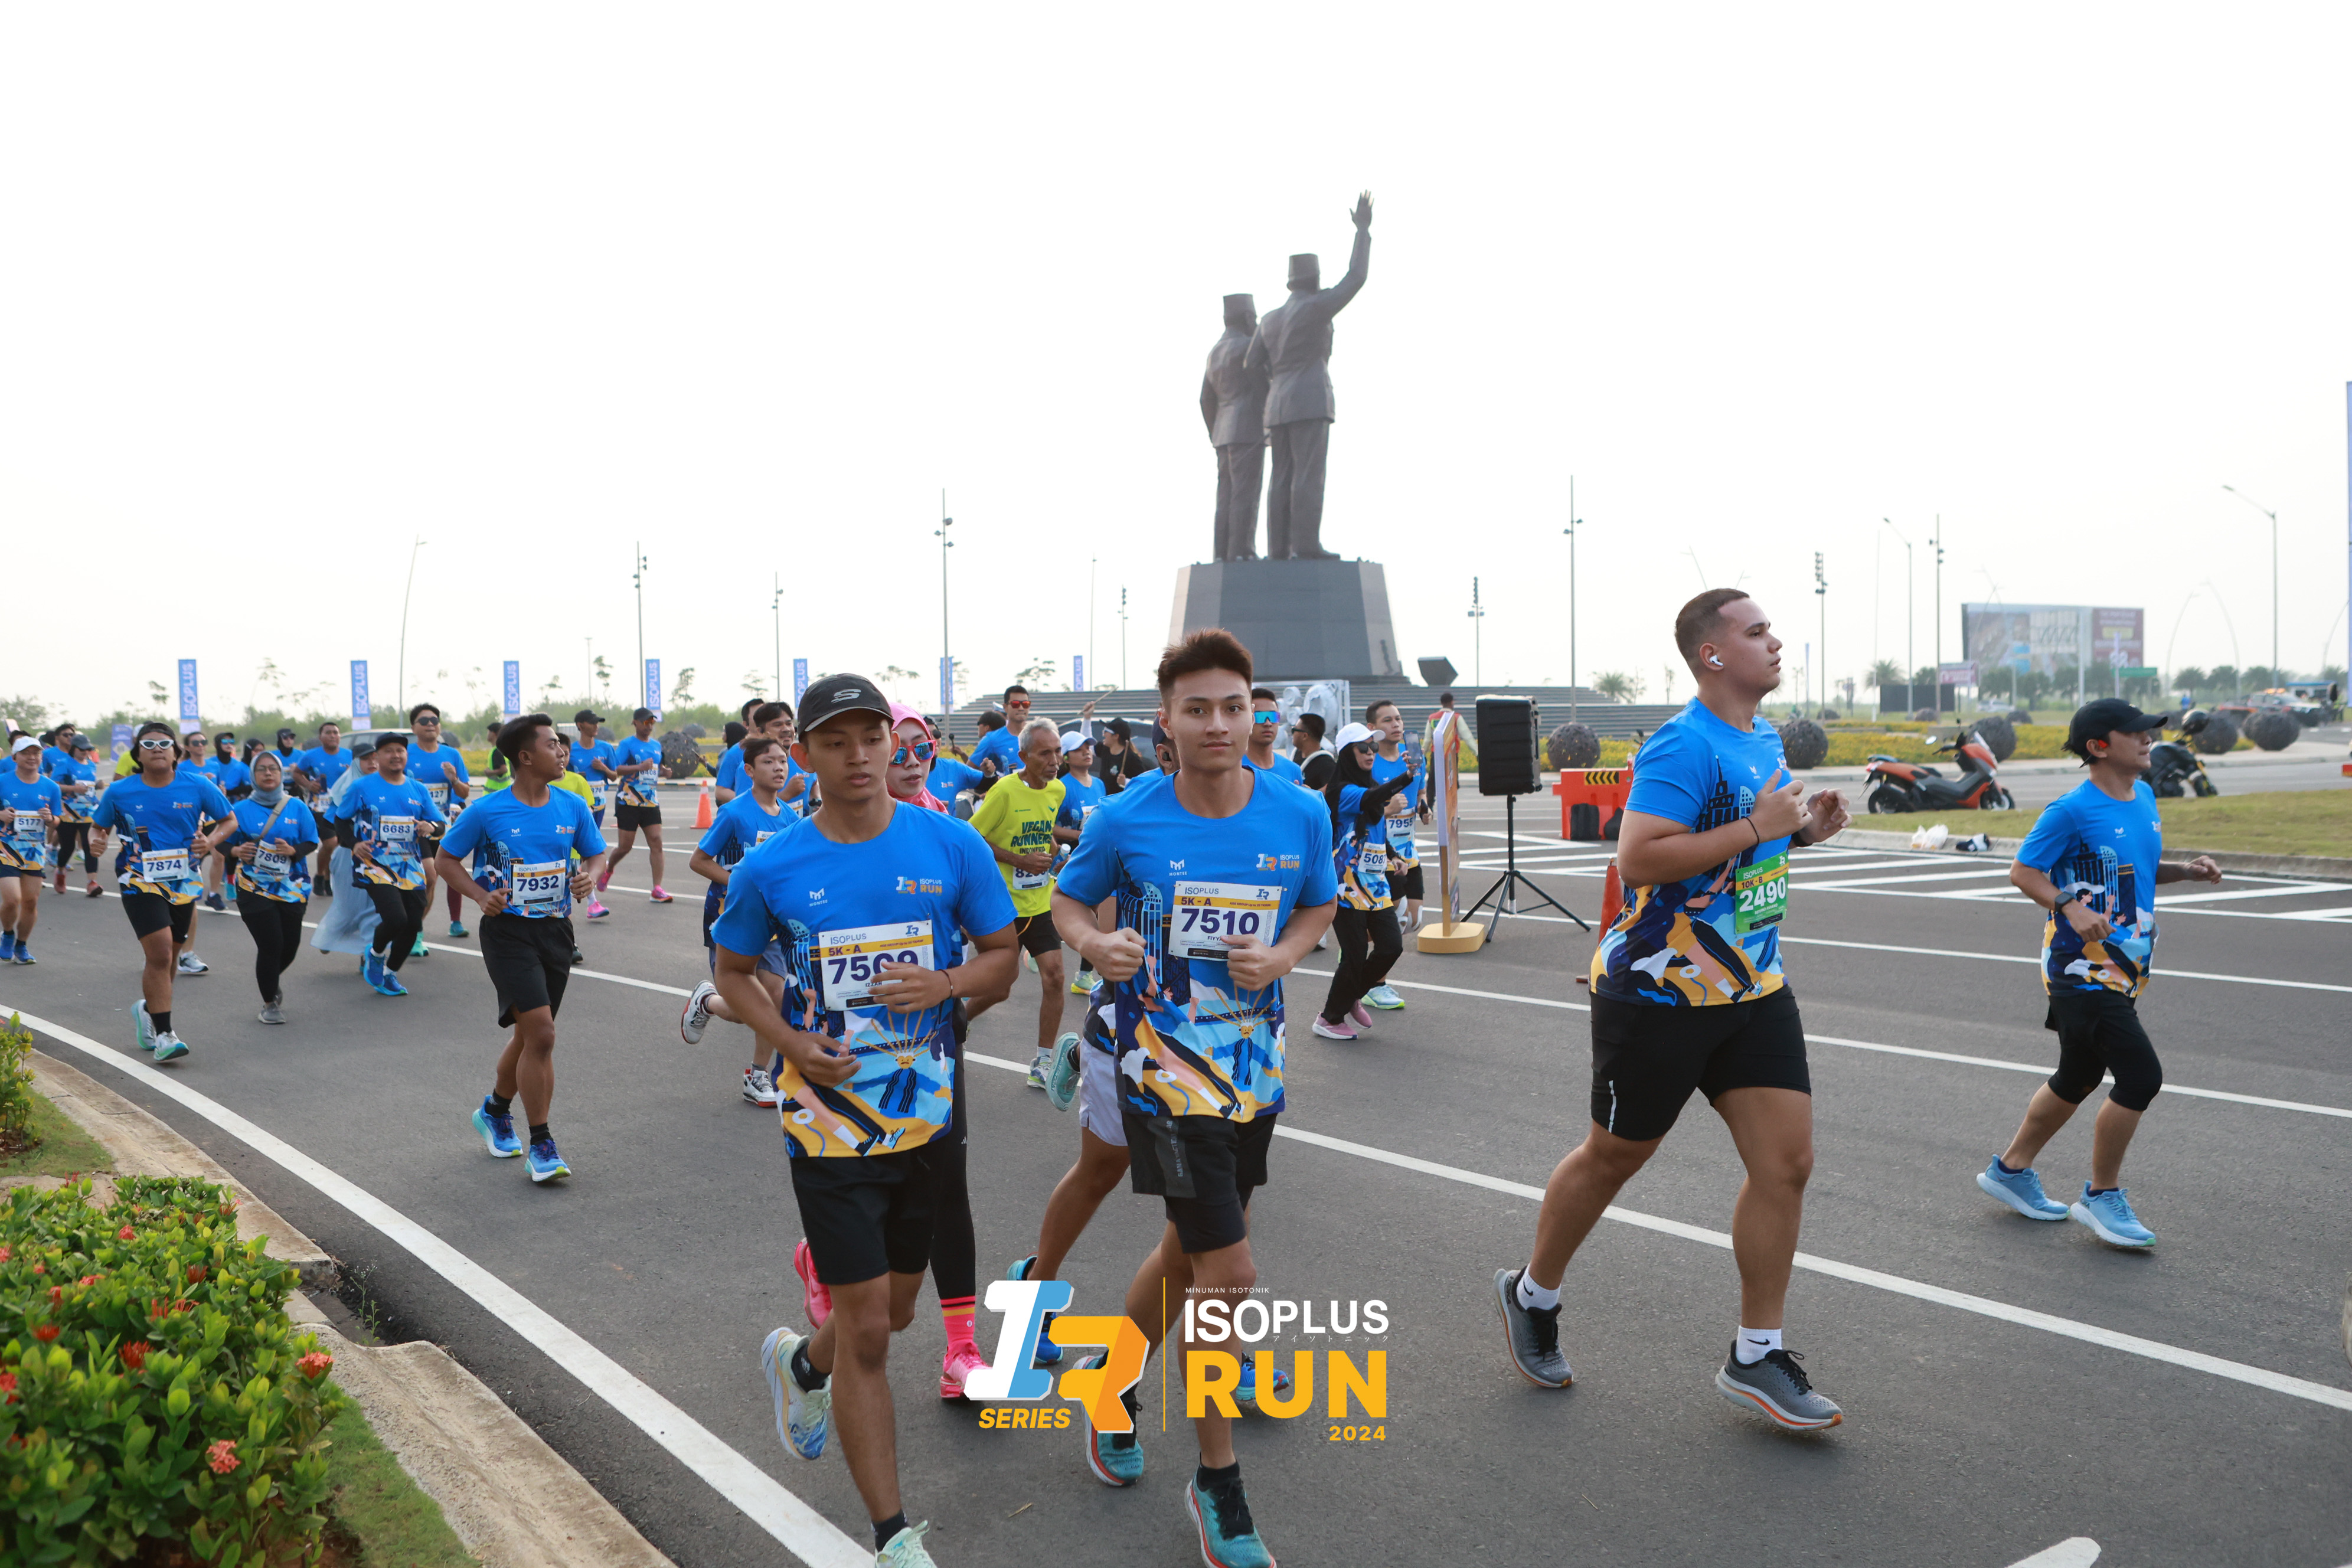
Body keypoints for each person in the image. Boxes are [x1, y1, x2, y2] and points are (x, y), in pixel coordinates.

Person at [1497, 589, 1851, 1431]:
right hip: (1659, 992)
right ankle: (1532, 1292)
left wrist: (1800, 833)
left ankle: (1756, 1355)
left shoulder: (1762, 738)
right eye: (1756, 631)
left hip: (1752, 986)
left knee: (1787, 1164)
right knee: (1613, 1158)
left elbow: (1744, 851)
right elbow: (1641, 857)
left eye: (1771, 629)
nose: (1775, 641)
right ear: (1712, 655)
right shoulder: (1681, 745)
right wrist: (1756, 826)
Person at [1048, 629, 1335, 1562]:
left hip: (1252, 1072)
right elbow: (1066, 903)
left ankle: (1110, 1385)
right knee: (1230, 1273)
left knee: (1188, 1255)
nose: (1218, 723)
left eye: (1233, 707)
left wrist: (1283, 955)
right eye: (1198, 709)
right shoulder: (1125, 818)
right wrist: (1096, 944)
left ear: (1255, 715)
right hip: (1160, 1073)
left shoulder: (1299, 813)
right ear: (1165, 723)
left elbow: (1319, 905)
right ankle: (1218, 1481)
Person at [719, 674, 1017, 1568]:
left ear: (896, 742)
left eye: (872, 737)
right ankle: (893, 1539)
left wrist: (946, 984)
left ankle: (802, 1366)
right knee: (871, 1333)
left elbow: (1003, 957)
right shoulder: (772, 865)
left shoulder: (952, 843)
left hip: (926, 1120)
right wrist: (790, 1045)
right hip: (826, 1124)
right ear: (803, 753)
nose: (858, 756)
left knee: (895, 1312)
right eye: (835, 741)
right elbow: (733, 972)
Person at [1972, 698, 2222, 1248]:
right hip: (2080, 969)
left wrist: (2186, 871)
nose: (2149, 738)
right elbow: (2023, 871)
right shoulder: (2070, 810)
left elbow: (2136, 869)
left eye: (2150, 730)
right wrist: (2069, 904)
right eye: (2136, 732)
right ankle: (2101, 1196)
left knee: (2078, 1077)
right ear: (2098, 746)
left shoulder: (2144, 796)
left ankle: (2010, 1171)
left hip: (2127, 966)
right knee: (2141, 1078)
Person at [435, 713, 609, 1184]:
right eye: (552, 745)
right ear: (526, 757)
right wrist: (479, 896)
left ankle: (494, 1110)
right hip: (508, 933)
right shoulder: (487, 811)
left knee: (531, 1036)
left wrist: (590, 875)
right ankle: (543, 1145)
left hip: (556, 931)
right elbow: (445, 859)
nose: (562, 751)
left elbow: (596, 853)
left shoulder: (572, 805)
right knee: (544, 1035)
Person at [87, 723, 235, 1062]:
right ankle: (166, 1035)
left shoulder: (198, 785)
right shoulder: (120, 791)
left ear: (176, 753)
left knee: (170, 956)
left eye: (165, 744)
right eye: (149, 744)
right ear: (138, 755)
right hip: (138, 879)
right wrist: (97, 841)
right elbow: (98, 827)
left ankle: (149, 1010)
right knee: (161, 952)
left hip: (183, 880)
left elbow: (229, 820)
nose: (157, 749)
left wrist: (210, 841)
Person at [680, 734, 793, 1105]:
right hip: (729, 916)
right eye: (768, 762)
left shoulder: (791, 818)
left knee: (774, 999)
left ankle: (758, 1075)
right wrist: (741, 882)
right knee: (747, 1008)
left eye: (782, 761)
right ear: (749, 770)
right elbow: (699, 861)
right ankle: (708, 1002)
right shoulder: (734, 813)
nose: (778, 768)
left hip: (772, 923)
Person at [968, 717, 1070, 1092]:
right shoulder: (1005, 791)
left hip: (1039, 901)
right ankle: (959, 1021)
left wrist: (1052, 850)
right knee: (1000, 988)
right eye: (1045, 754)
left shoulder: (1057, 789)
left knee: (1055, 976)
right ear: (1024, 756)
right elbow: (971, 838)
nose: (1054, 761)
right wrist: (1018, 859)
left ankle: (1043, 1060)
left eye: (1057, 752)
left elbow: (1043, 828)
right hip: (1003, 904)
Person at [1311, 723, 1416, 1041]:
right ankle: (1329, 1019)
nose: (1371, 753)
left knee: (1391, 946)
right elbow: (1372, 798)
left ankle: (1349, 997)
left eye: (1374, 747)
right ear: (1347, 754)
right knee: (1354, 954)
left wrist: (1393, 855)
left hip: (1375, 885)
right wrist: (1407, 777)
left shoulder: (1369, 787)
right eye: (1363, 748)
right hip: (1345, 887)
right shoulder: (1343, 791)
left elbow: (1375, 832)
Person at [204, 750, 319, 1024]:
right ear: (253, 776)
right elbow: (219, 841)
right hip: (253, 887)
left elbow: (311, 841)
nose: (268, 773)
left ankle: (269, 979)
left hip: (292, 887)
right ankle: (269, 1002)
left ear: (281, 774)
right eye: (262, 769)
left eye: (273, 769)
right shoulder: (240, 810)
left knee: (290, 946)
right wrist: (236, 851)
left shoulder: (297, 806)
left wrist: (293, 850)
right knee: (271, 944)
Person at [335, 731, 447, 998]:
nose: (396, 756)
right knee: (396, 918)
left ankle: (390, 972)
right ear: (378, 757)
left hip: (409, 865)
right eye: (389, 751)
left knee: (413, 923)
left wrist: (431, 827)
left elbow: (440, 824)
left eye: (400, 751)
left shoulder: (418, 789)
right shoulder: (362, 787)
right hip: (374, 864)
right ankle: (375, 954)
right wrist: (354, 844)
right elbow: (340, 820)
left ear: (406, 755)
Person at [1364, 697, 1431, 983]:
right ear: (1373, 728)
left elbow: (1420, 792)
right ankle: (1375, 982)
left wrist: (1424, 807)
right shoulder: (1369, 763)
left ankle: (1355, 944)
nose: (1396, 725)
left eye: (1399, 719)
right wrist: (1387, 811)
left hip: (1409, 853)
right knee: (1396, 922)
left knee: (1413, 921)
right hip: (1379, 856)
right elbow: (1359, 812)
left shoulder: (1413, 758)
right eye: (1388, 720)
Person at [308, 739, 384, 972]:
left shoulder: (385, 785)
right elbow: (333, 823)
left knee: (376, 908)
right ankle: (329, 937)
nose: (372, 763)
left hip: (380, 857)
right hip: (348, 857)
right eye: (366, 759)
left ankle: (368, 956)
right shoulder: (345, 788)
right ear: (355, 762)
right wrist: (355, 838)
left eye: (375, 758)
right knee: (348, 907)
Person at [407, 703, 473, 941]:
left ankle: (455, 922)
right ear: (413, 727)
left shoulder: (451, 755)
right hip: (417, 827)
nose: (430, 725)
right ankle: (416, 932)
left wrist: (454, 780)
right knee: (428, 878)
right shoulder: (407, 755)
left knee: (452, 869)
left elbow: (464, 793)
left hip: (446, 824)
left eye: (434, 720)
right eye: (424, 721)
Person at [1055, 729, 1109, 995]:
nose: (1087, 752)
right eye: (1079, 749)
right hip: (1068, 859)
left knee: (1095, 914)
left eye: (1088, 747)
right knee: (1072, 912)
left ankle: (1084, 975)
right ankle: (1038, 944)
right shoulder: (1062, 786)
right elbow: (1050, 826)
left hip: (1095, 858)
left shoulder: (1099, 784)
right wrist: (1080, 836)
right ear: (1066, 757)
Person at [1, 736, 63, 964]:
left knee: (30, 902)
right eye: (26, 753)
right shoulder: (2, 781)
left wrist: (50, 819)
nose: (32, 757)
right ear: (15, 757)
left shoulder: (51, 787)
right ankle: (8, 934)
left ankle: (21, 946)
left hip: (34, 851)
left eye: (36, 753)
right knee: (12, 900)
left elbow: (57, 819)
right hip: (6, 847)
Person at [602, 707, 670, 904]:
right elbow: (616, 769)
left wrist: (664, 772)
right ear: (636, 723)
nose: (649, 726)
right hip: (628, 801)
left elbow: (656, 769)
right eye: (645, 722)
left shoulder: (656, 745)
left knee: (656, 841)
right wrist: (639, 767)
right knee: (625, 847)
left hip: (650, 801)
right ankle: (609, 868)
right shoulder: (627, 744)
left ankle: (657, 889)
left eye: (652, 723)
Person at [51, 736, 104, 897]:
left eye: (89, 749)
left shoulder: (91, 764)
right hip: (68, 811)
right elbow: (54, 786)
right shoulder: (64, 764)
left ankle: (92, 883)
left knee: (90, 846)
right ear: (74, 749)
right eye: (82, 749)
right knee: (68, 847)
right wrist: (73, 788)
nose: (86, 752)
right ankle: (60, 870)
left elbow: (89, 786)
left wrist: (97, 785)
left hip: (88, 811)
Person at [1245, 688, 1305, 786]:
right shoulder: (1233, 768)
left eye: (1273, 716)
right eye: (1260, 717)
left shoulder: (1293, 771)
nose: (1268, 723)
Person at [708, 698, 763, 806]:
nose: (764, 717)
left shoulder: (777, 749)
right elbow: (720, 792)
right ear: (746, 724)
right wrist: (751, 802)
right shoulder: (735, 752)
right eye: (758, 715)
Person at [969, 685, 1032, 776]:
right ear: (1005, 707)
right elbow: (969, 770)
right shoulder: (992, 739)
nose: (1021, 708)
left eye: (1025, 704)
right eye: (1015, 704)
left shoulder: (1038, 736)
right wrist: (987, 775)